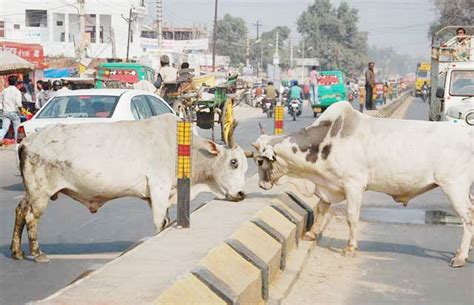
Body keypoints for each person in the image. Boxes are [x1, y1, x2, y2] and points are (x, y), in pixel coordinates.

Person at [0, 75, 23, 144]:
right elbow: (19, 104)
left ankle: (0, 138)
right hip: (14, 112)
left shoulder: (4, 91)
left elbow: (1, 102)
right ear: (16, 82)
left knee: (4, 128)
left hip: (5, 112)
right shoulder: (17, 91)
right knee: (16, 128)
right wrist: (21, 111)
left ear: (8, 82)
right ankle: (17, 143)